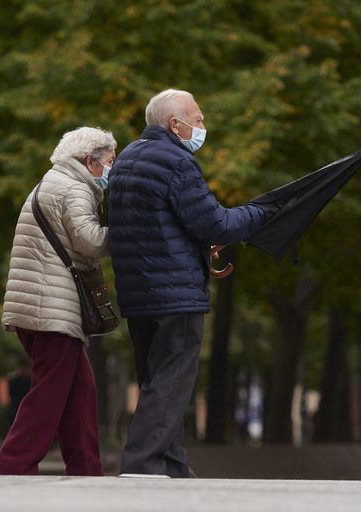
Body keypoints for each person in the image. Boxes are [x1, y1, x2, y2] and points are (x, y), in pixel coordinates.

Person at [108, 89, 266, 477]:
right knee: (172, 382)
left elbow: (154, 224)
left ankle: (174, 466)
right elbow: (215, 224)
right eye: (198, 120)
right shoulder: (177, 162)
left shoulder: (126, 159)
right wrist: (259, 214)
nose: (203, 127)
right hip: (175, 292)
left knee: (156, 380)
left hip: (137, 292)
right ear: (174, 124)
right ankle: (142, 465)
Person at [0, 126, 116, 476]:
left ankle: (86, 469)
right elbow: (90, 242)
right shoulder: (74, 188)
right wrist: (125, 231)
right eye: (109, 161)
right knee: (48, 396)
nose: (111, 169)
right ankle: (13, 467)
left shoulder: (52, 182)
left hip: (38, 306)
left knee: (79, 394)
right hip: (51, 309)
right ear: (89, 161)